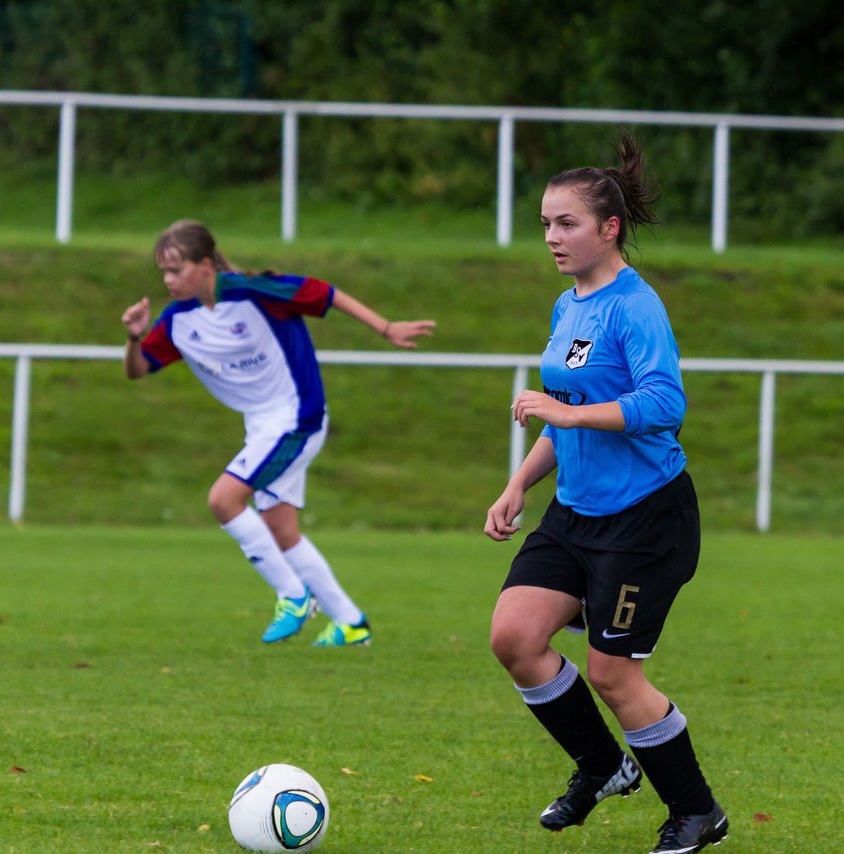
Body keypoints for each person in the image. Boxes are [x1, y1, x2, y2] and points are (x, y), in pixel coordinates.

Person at [484, 133, 728, 854]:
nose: (553, 237)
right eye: (546, 224)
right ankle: (602, 767)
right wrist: (519, 482)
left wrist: (564, 413)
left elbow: (664, 404)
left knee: (613, 673)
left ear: (609, 228)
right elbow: (570, 412)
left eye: (567, 223)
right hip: (575, 513)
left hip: (644, 520)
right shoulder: (570, 306)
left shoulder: (635, 306)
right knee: (515, 637)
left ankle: (695, 811)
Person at [121, 220, 436, 646]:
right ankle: (350, 623)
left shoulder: (257, 292)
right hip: (263, 428)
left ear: (207, 265)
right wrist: (134, 339)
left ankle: (293, 595)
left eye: (176, 270)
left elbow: (324, 292)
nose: (168, 280)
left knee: (223, 499)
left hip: (297, 417)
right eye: (163, 271)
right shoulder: (178, 320)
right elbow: (138, 370)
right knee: (280, 529)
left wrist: (384, 327)